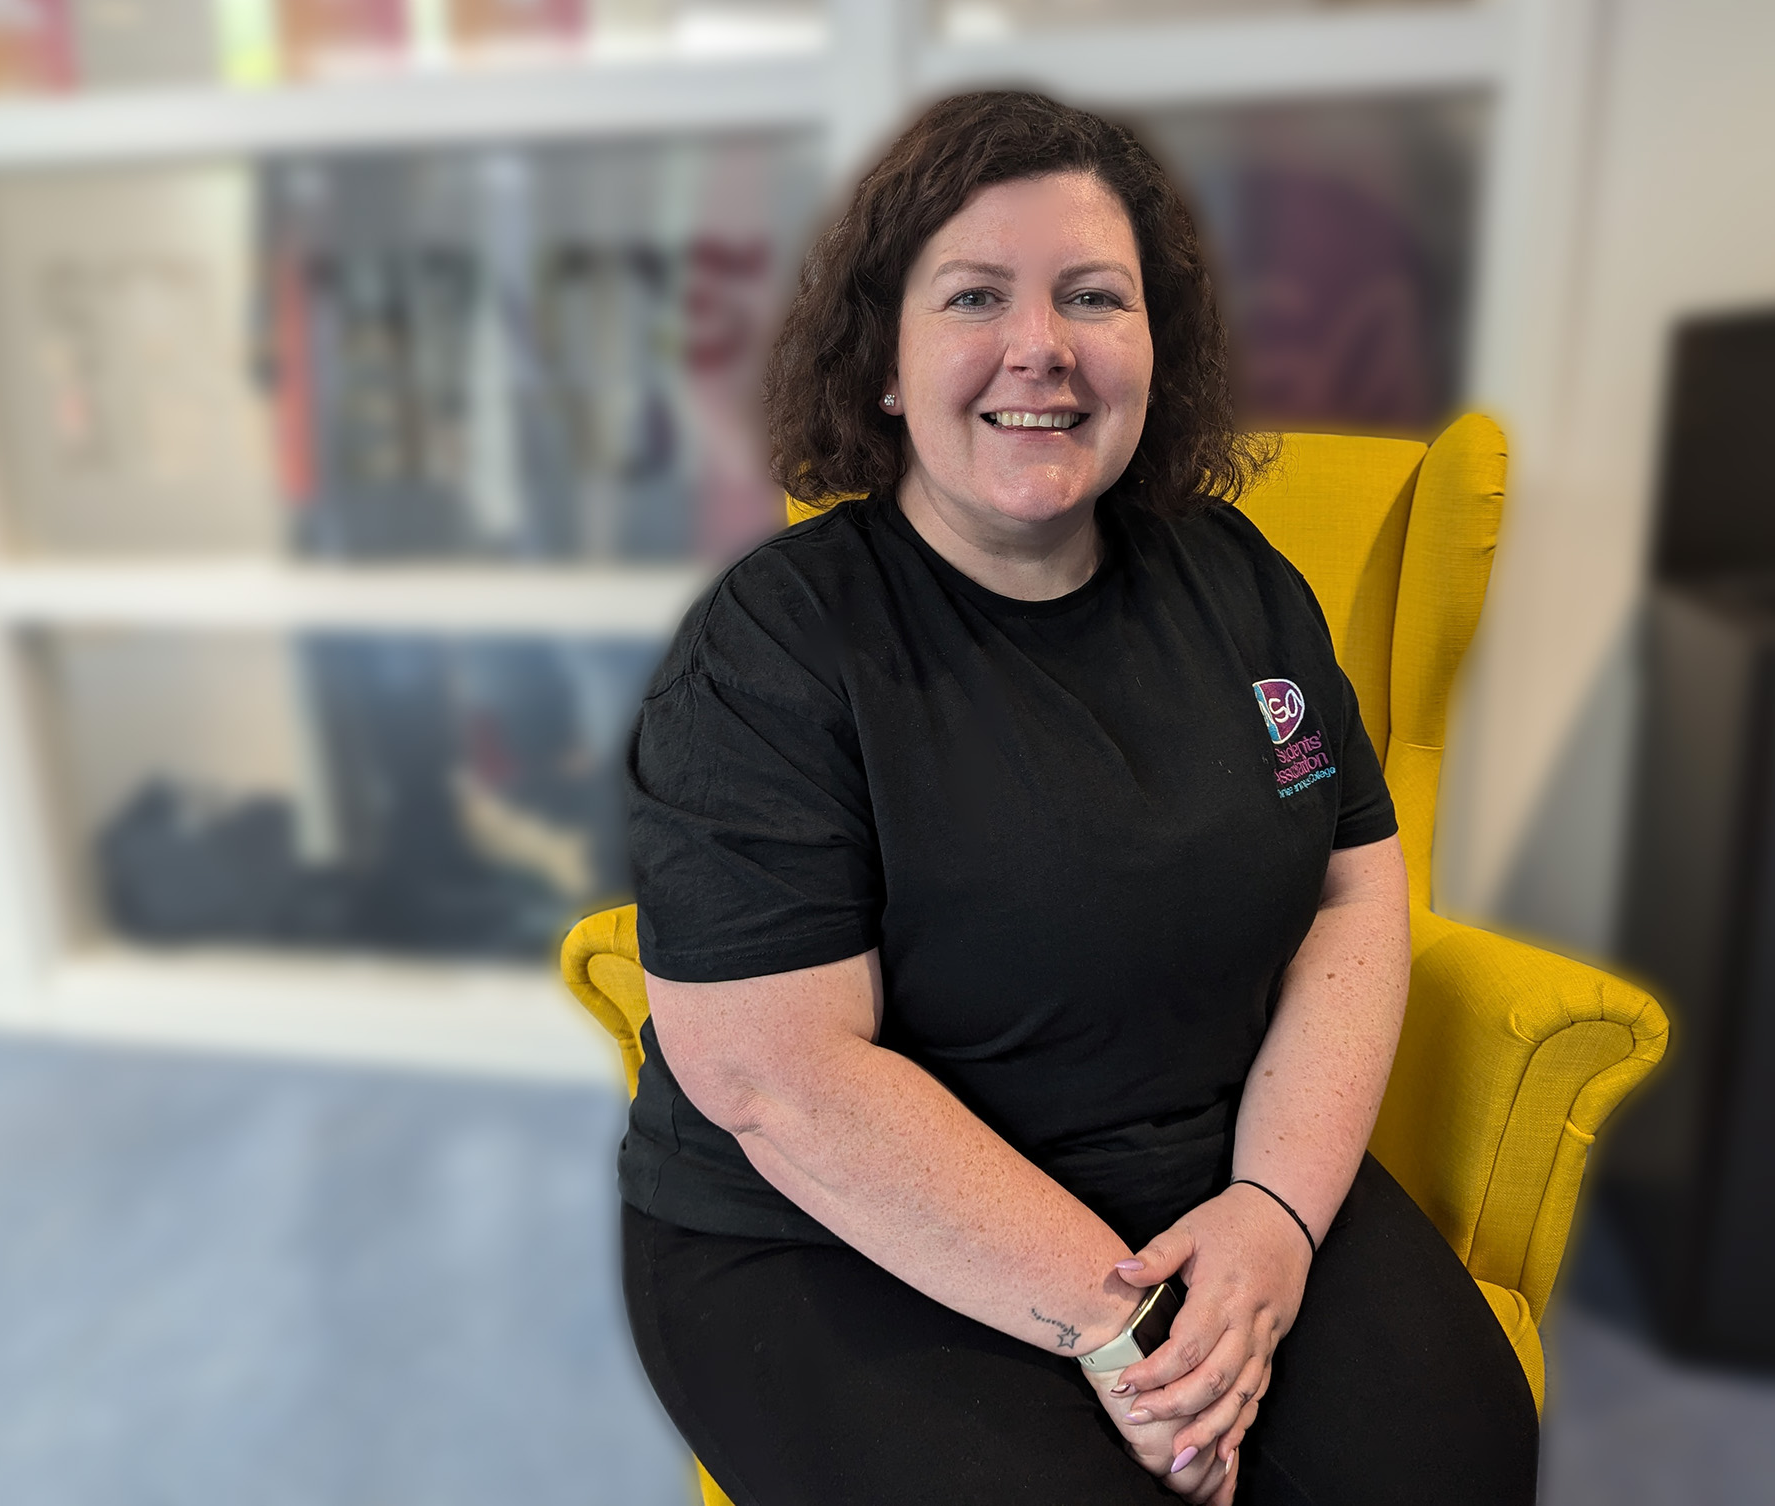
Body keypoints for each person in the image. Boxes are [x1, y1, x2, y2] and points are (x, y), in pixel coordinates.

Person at [618, 91, 1537, 1505]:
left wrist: (1276, 1218)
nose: (1038, 346)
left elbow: (1354, 881)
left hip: (1195, 1159)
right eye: (974, 295)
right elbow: (777, 1079)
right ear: (884, 358)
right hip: (834, 1229)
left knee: (1457, 1459)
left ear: (1152, 347)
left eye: (1092, 296)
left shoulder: (1236, 580)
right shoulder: (773, 652)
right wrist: (1129, 1332)